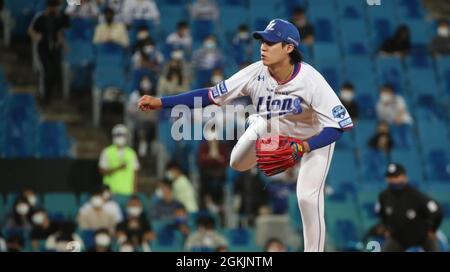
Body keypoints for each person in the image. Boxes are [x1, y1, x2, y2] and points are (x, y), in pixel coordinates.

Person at [138, 18, 353, 252]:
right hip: (273, 126)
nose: (263, 46)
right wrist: (161, 102)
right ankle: (258, 122)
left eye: (271, 42)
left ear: (289, 48)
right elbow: (211, 95)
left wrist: (303, 147)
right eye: (262, 41)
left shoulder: (311, 80)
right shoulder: (254, 72)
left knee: (307, 198)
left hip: (315, 136)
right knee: (237, 162)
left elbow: (338, 127)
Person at [376, 163, 443, 252]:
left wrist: (433, 230)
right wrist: (387, 228)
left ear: (404, 177)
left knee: (433, 246)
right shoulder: (384, 196)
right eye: (390, 177)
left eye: (396, 177)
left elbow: (438, 211)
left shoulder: (416, 195)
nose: (393, 180)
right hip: (399, 237)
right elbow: (382, 214)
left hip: (422, 236)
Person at [28, 0, 70, 105]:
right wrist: (36, 36)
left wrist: (64, 45)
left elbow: (60, 33)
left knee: (55, 71)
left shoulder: (58, 18)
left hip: (55, 48)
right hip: (43, 48)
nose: (55, 9)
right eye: (53, 7)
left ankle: (51, 94)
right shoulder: (40, 17)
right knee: (47, 71)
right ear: (48, 7)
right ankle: (45, 96)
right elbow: (31, 30)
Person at [99, 124, 140, 195]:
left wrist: (134, 192)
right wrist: (118, 168)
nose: (120, 137)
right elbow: (102, 171)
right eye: (118, 135)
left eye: (122, 135)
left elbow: (135, 174)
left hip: (127, 192)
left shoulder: (131, 153)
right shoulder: (106, 151)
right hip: (110, 192)